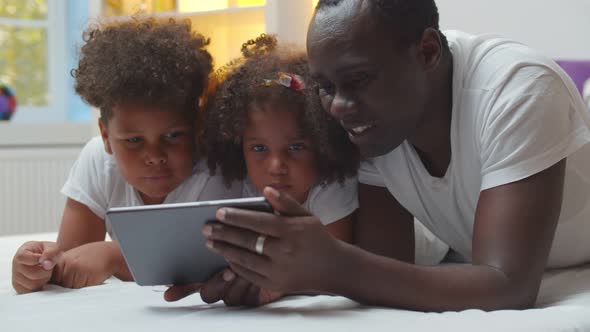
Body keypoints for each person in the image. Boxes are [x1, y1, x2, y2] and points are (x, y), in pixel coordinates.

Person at [198, 0, 590, 311]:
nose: (336, 107)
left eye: (359, 79)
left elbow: (508, 286)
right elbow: (384, 265)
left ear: (428, 51)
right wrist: (276, 276)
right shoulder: (368, 120)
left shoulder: (517, 90)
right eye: (326, 86)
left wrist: (333, 264)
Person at [11, 18, 240, 294]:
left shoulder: (219, 171)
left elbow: (207, 265)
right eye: (134, 141)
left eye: (173, 136)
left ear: (197, 128)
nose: (154, 156)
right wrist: (40, 267)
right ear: (106, 137)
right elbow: (72, 262)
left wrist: (114, 256)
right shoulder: (98, 161)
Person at [165, 34, 361, 305]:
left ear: (322, 142)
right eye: (258, 149)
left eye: (295, 147)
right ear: (238, 147)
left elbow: (332, 266)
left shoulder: (330, 188)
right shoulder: (239, 189)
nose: (276, 166)